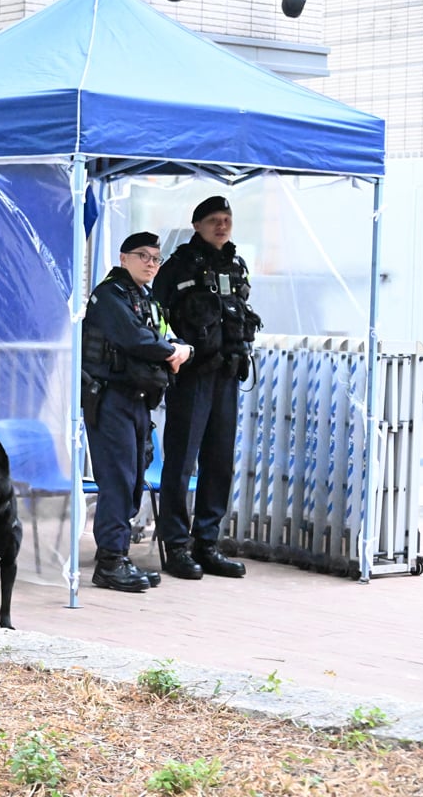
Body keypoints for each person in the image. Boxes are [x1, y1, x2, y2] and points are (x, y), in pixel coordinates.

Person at [151, 196, 261, 580]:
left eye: (227, 219)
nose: (222, 226)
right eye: (214, 220)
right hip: (191, 376)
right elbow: (157, 318)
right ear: (197, 225)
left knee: (219, 462)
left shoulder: (236, 265)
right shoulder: (178, 266)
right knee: (181, 462)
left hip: (226, 376)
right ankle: (176, 546)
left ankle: (207, 543)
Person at [83, 232, 193, 593]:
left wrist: (183, 348)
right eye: (143, 256)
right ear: (123, 258)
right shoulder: (109, 295)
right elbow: (134, 338)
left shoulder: (147, 299)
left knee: (133, 480)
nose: (150, 263)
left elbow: (166, 333)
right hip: (111, 399)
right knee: (117, 479)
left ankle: (119, 554)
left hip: (139, 400)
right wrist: (172, 352)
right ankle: (110, 562)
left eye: (155, 258)